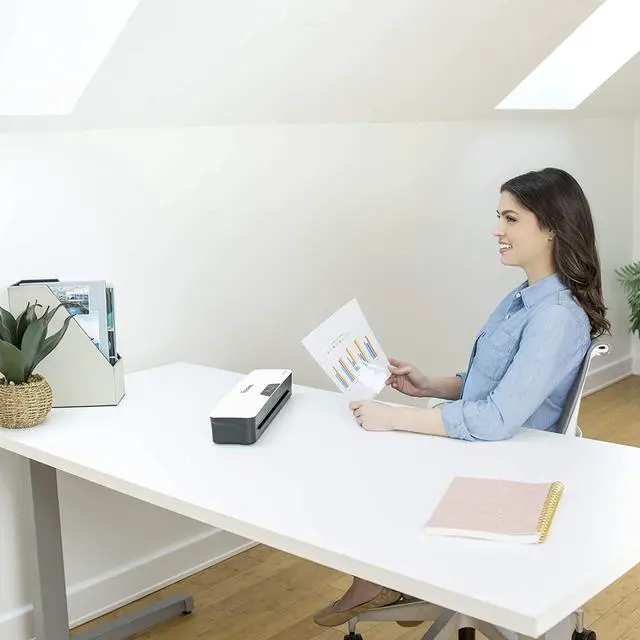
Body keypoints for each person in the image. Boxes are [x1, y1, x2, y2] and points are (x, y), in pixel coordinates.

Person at [313, 167, 611, 627]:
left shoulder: (555, 316)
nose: (497, 230)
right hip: (492, 450)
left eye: (510, 219)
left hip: (509, 464)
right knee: (366, 454)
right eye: (499, 217)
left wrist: (394, 417)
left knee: (374, 463)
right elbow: (490, 383)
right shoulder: (524, 297)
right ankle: (399, 581)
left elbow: (495, 419)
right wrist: (428, 385)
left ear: (551, 227)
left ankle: (390, 583)